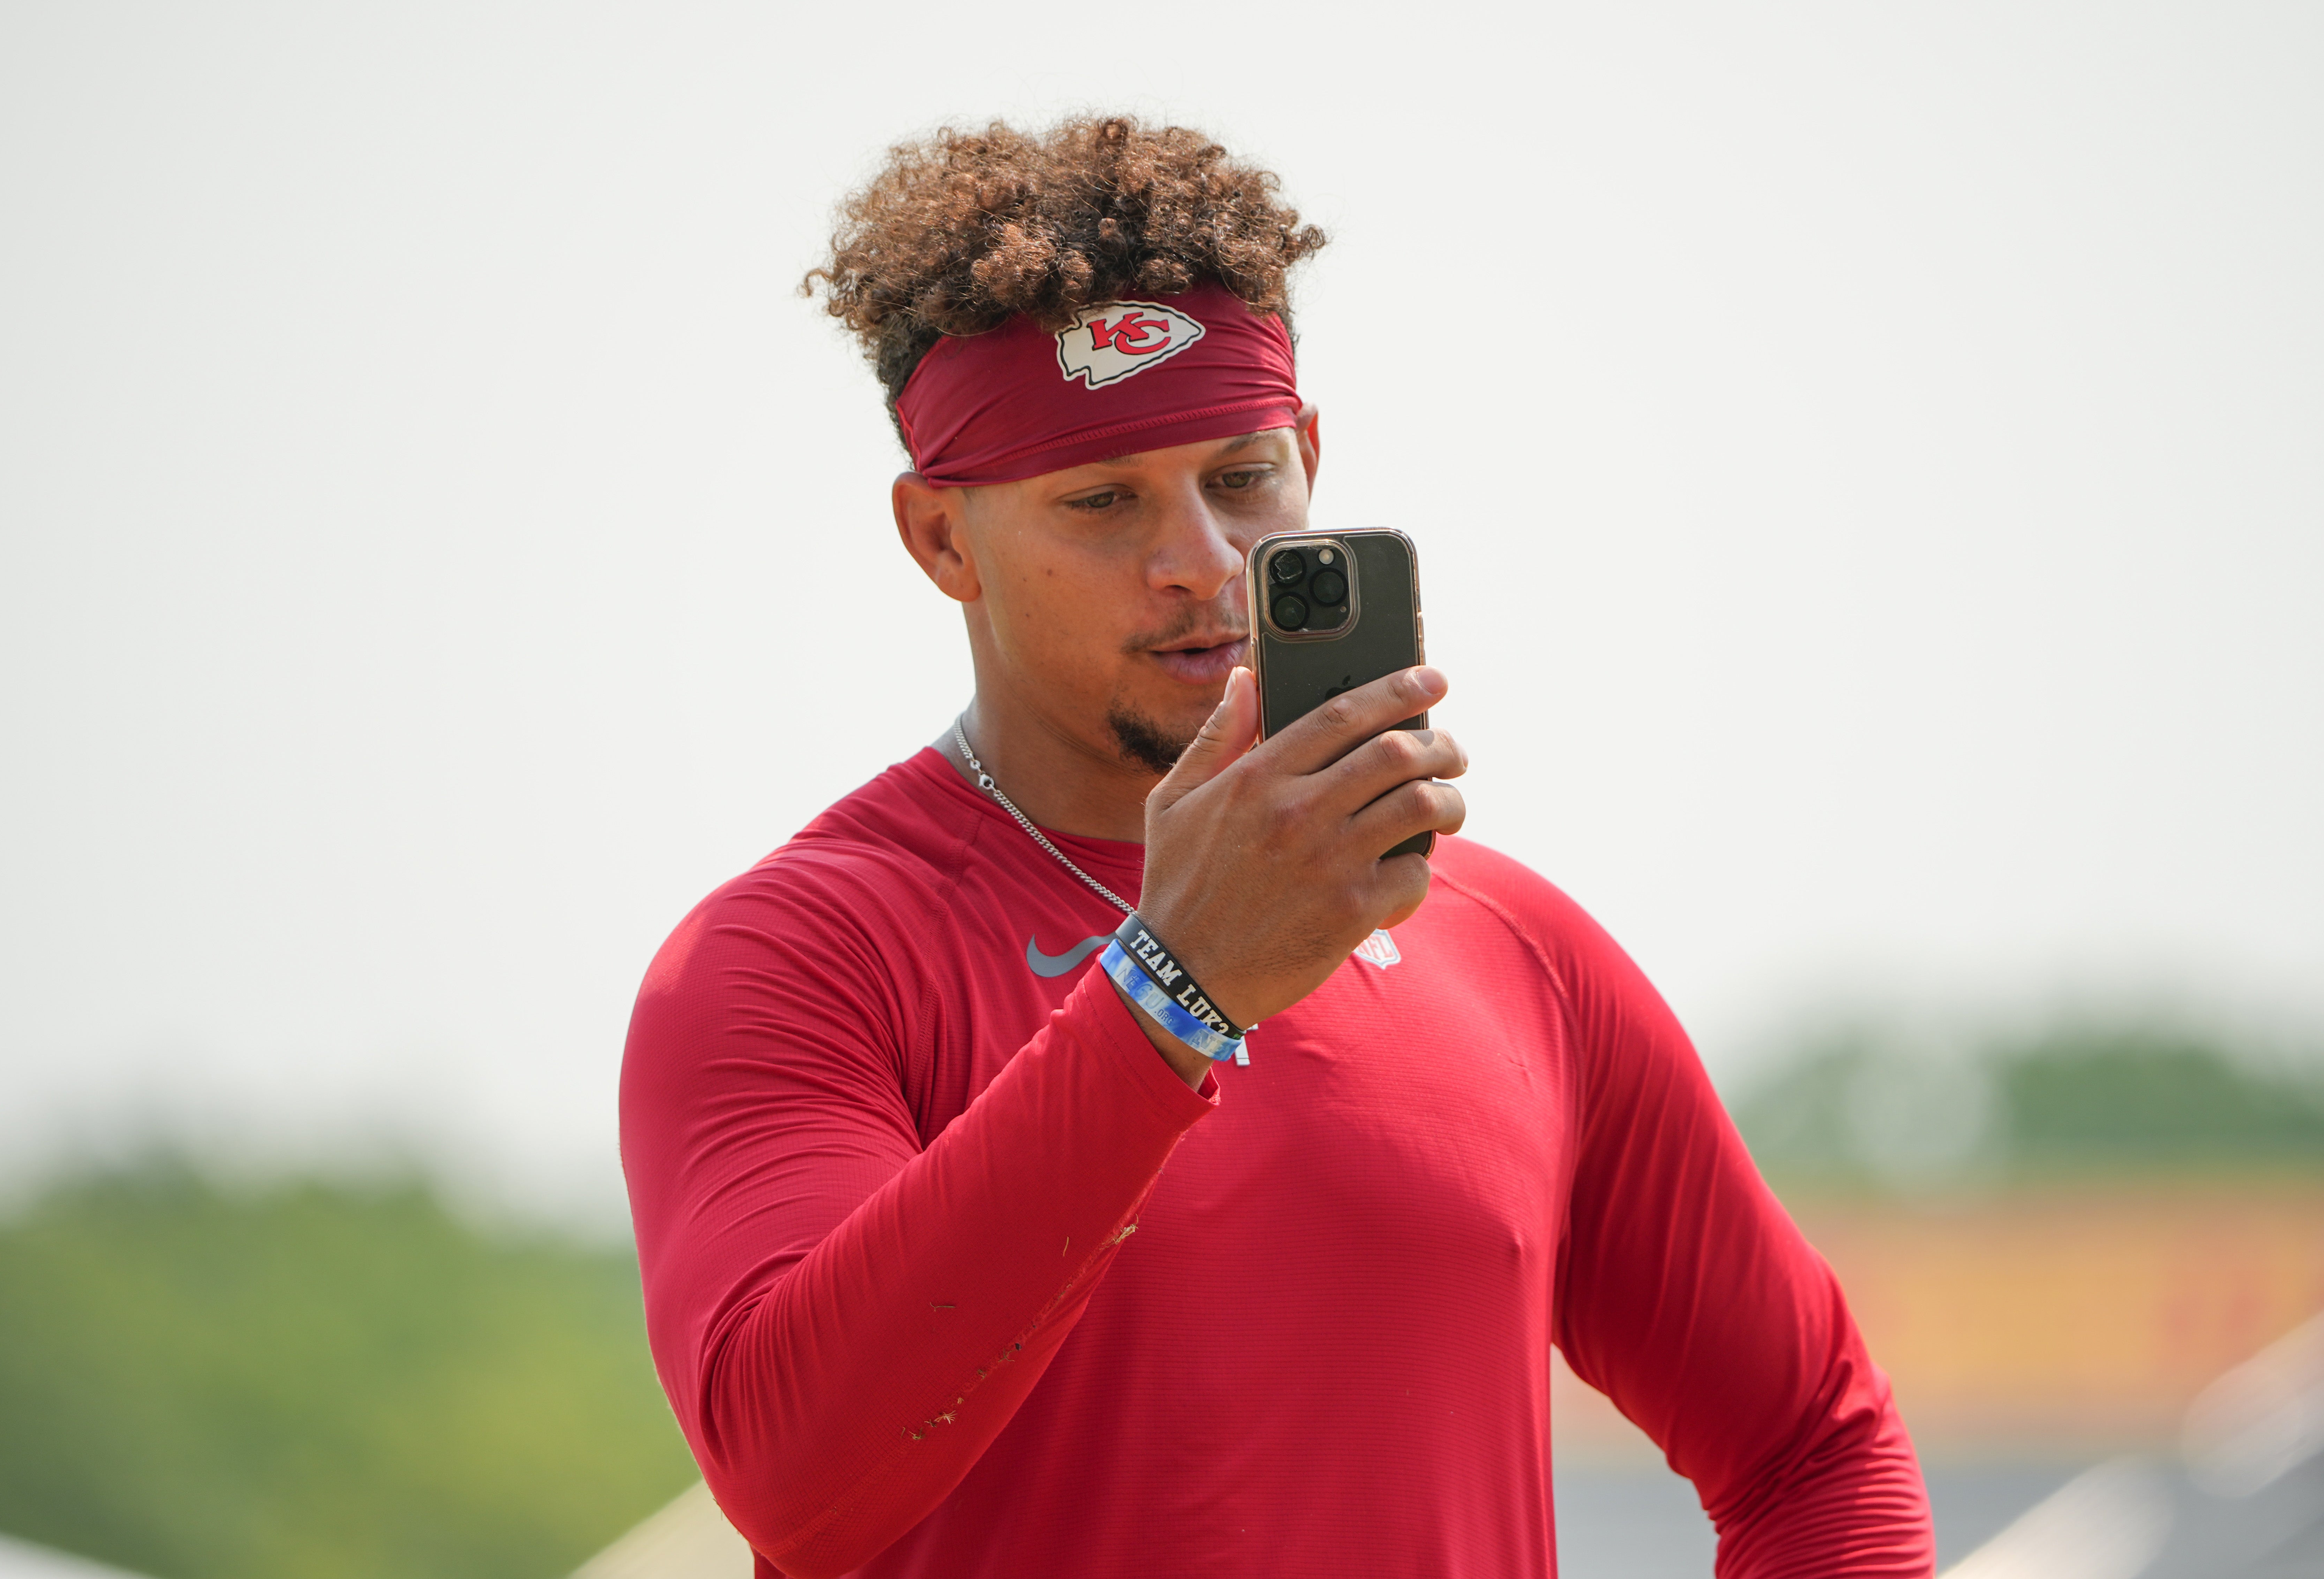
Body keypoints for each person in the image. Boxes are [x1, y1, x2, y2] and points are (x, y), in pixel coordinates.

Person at [621, 116, 1934, 1578]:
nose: (1199, 559)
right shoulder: (795, 959)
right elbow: (797, 1481)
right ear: (941, 539)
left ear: (1309, 457)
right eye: (1102, 499)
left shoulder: (1508, 945)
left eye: (1241, 478)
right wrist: (1169, 991)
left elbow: (1816, 1442)